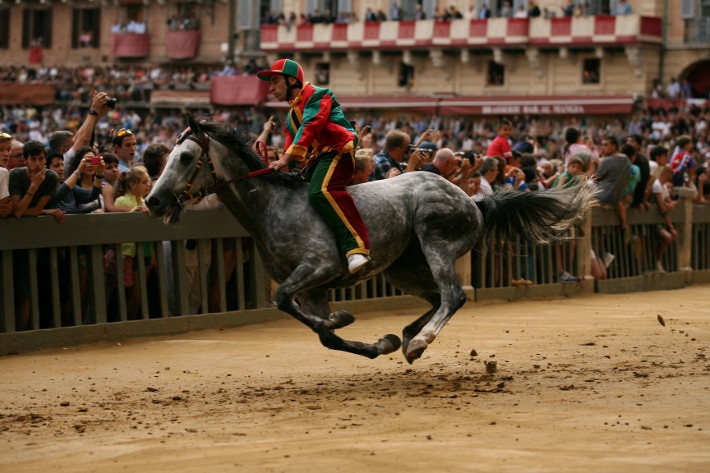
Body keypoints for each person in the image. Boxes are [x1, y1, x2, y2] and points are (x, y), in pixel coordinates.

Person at [258, 58, 370, 273]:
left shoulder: (318, 94)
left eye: (274, 81)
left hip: (339, 151)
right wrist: (280, 165)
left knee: (321, 191)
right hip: (318, 159)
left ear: (291, 80)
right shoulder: (290, 117)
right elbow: (291, 144)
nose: (270, 88)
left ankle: (356, 247)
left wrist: (286, 159)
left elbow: (311, 125)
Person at [113, 165, 153, 319]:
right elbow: (120, 225)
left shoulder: (145, 201)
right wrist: (135, 211)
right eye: (144, 182)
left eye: (148, 182)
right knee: (134, 295)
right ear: (132, 185)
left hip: (147, 250)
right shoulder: (121, 200)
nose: (148, 185)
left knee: (140, 294)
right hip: (129, 252)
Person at [650, 165, 678, 272]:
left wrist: (668, 204)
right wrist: (671, 227)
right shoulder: (657, 185)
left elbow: (669, 203)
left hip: (660, 220)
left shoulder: (664, 186)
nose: (672, 175)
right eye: (670, 172)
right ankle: (657, 260)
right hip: (653, 220)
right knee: (668, 237)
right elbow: (662, 208)